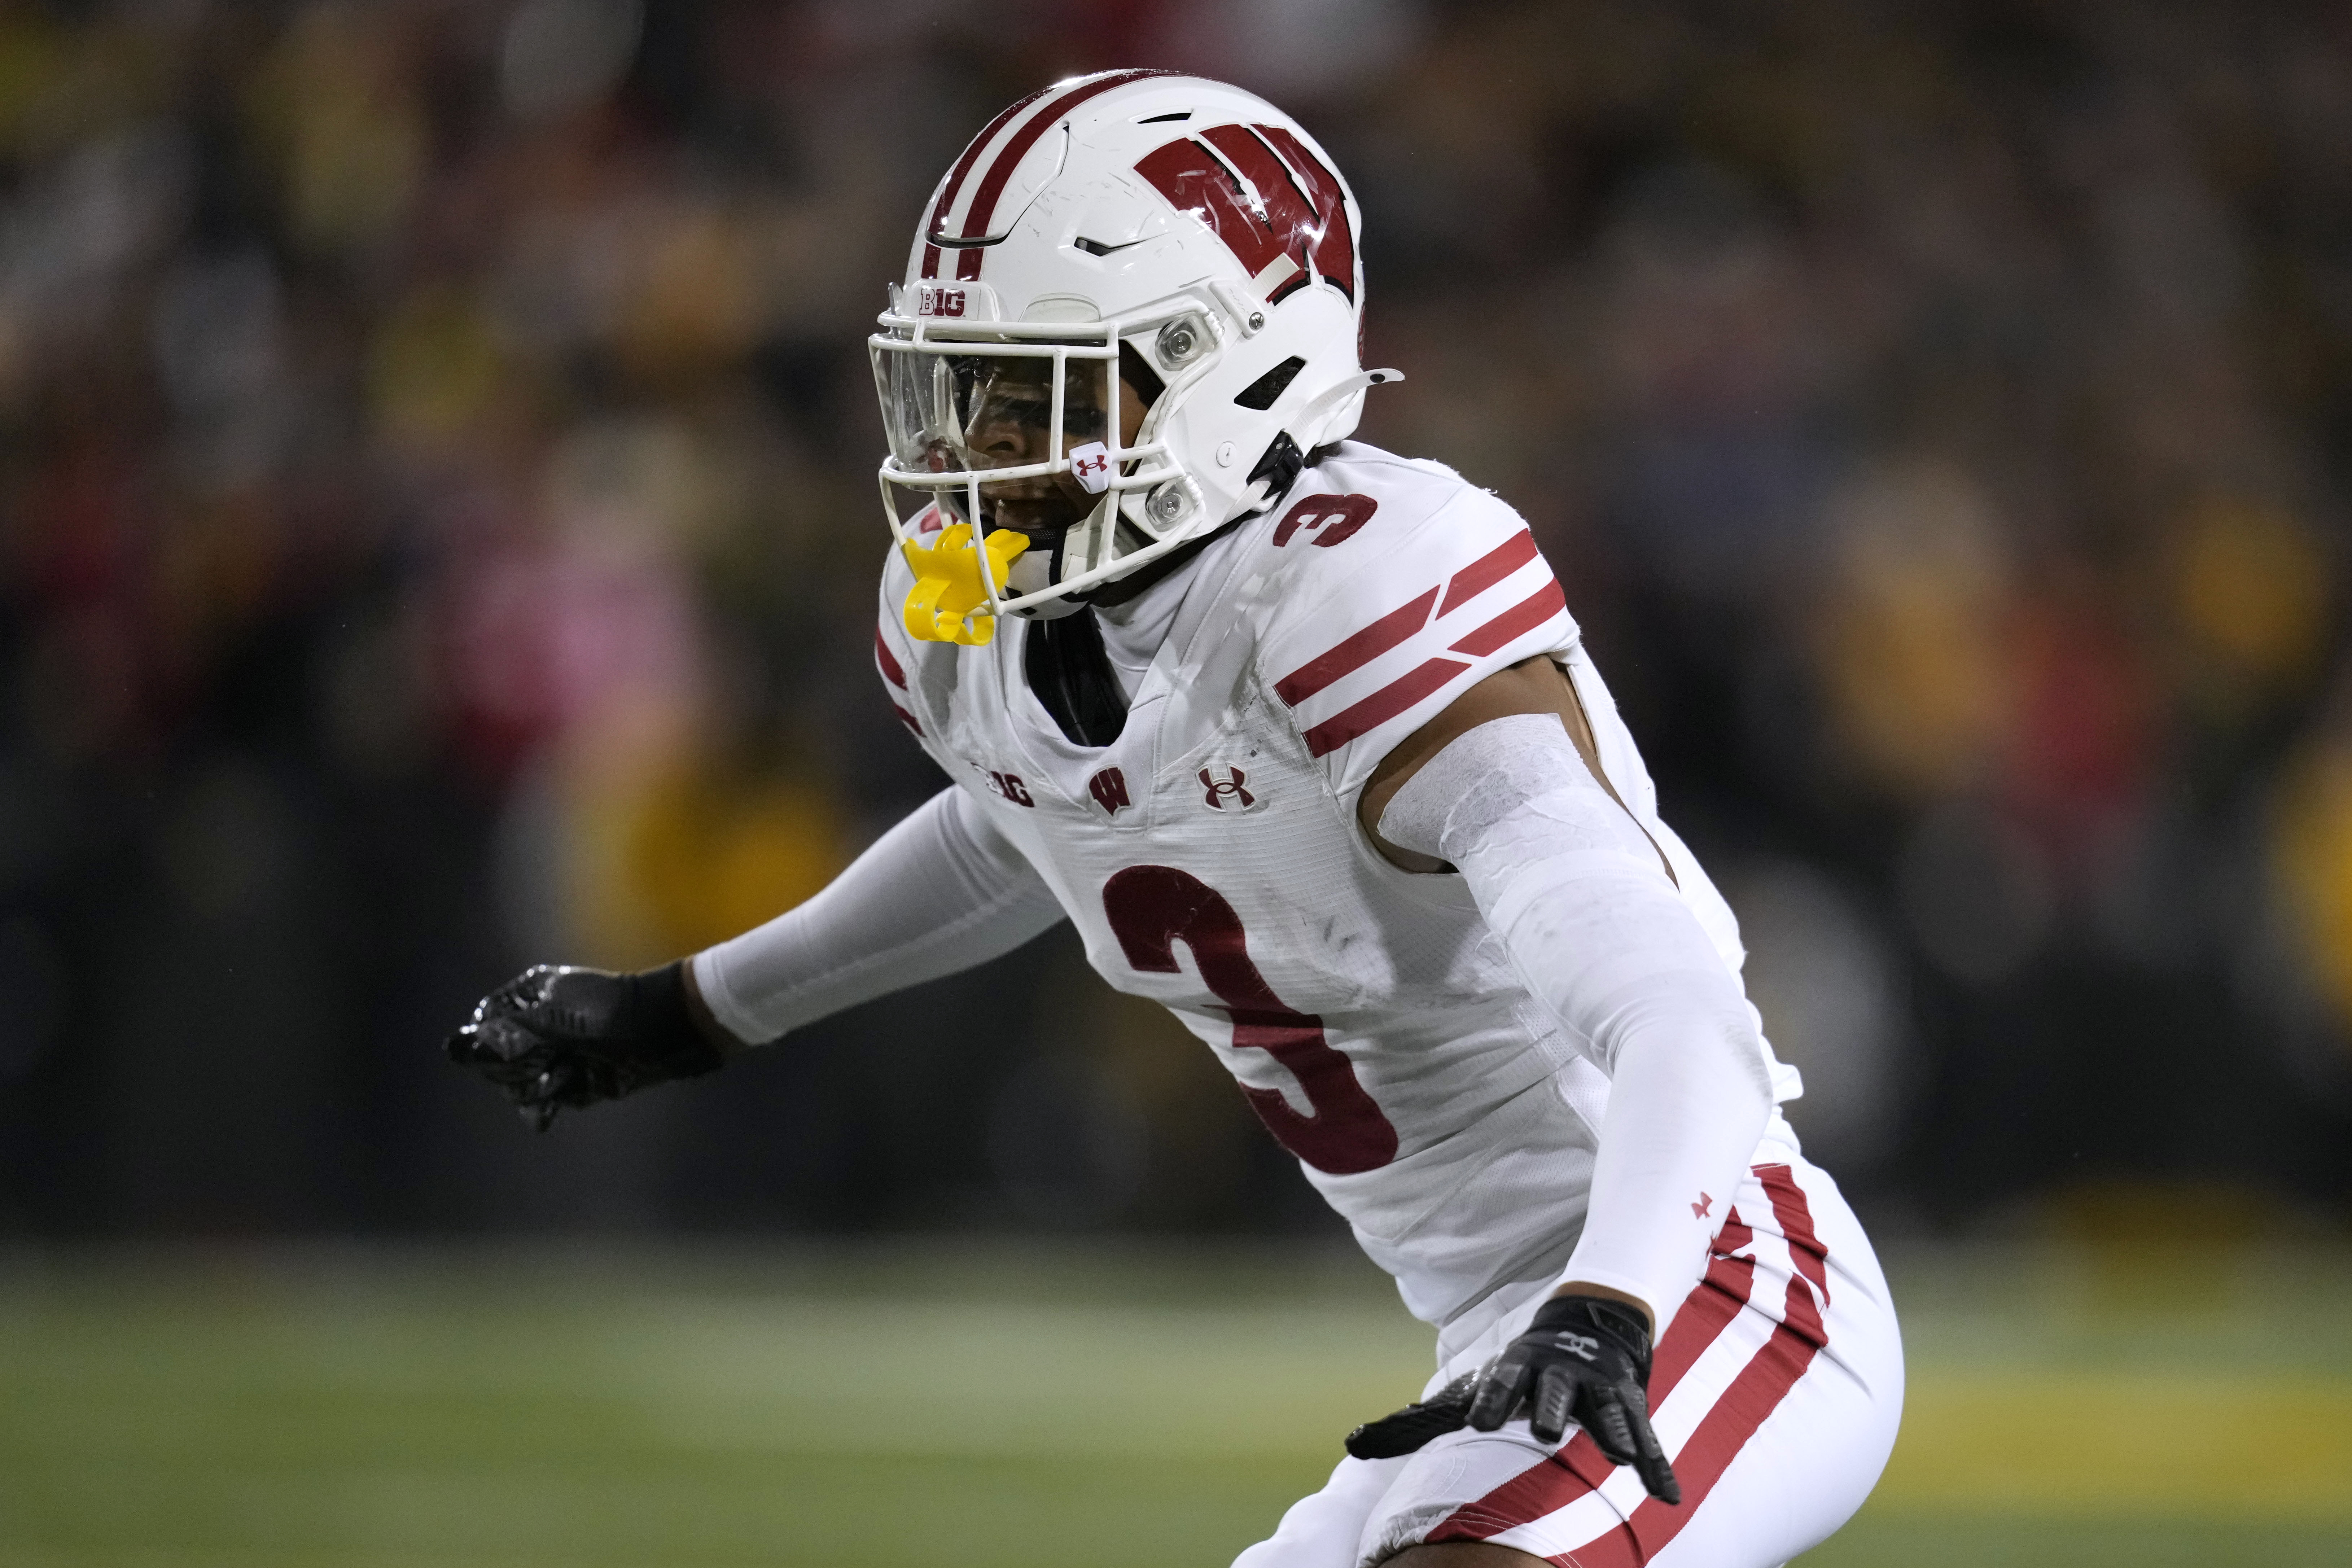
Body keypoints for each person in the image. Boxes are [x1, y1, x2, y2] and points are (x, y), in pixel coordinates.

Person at [446, 70, 1903, 1568]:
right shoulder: (990, 625)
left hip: (1707, 1278)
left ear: (1241, 372)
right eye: (963, 385)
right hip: (1505, 1329)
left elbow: (1677, 1012)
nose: (977, 443)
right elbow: (1018, 829)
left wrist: (1609, 1301)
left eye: (1042, 388)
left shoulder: (1350, 589)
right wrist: (696, 1008)